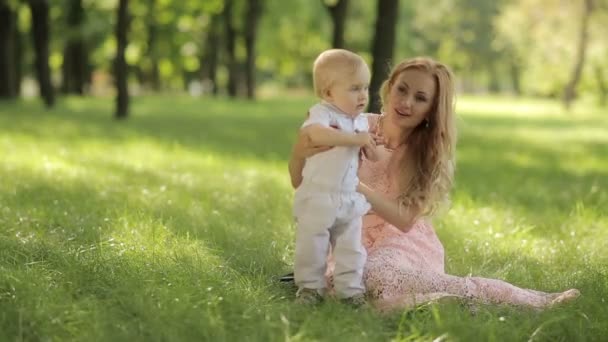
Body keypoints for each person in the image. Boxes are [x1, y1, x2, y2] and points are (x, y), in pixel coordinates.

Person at [288, 56, 580, 312]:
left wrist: (355, 186)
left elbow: (404, 220)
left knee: (380, 273)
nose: (406, 102)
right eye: (402, 89)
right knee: (346, 284)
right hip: (349, 233)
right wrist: (300, 152)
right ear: (389, 87)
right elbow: (300, 181)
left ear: (431, 108)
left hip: (399, 240)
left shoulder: (425, 151)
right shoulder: (352, 126)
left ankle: (529, 300)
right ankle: (439, 303)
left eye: (420, 97)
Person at [292, 49, 379, 305]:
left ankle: (350, 291)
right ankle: (310, 289)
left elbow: (368, 152)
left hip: (348, 197)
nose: (363, 95)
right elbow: (315, 135)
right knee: (312, 247)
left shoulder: (361, 121)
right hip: (319, 196)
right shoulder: (322, 113)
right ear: (329, 92)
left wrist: (372, 149)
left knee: (352, 248)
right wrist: (354, 139)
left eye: (365, 87)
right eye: (354, 88)